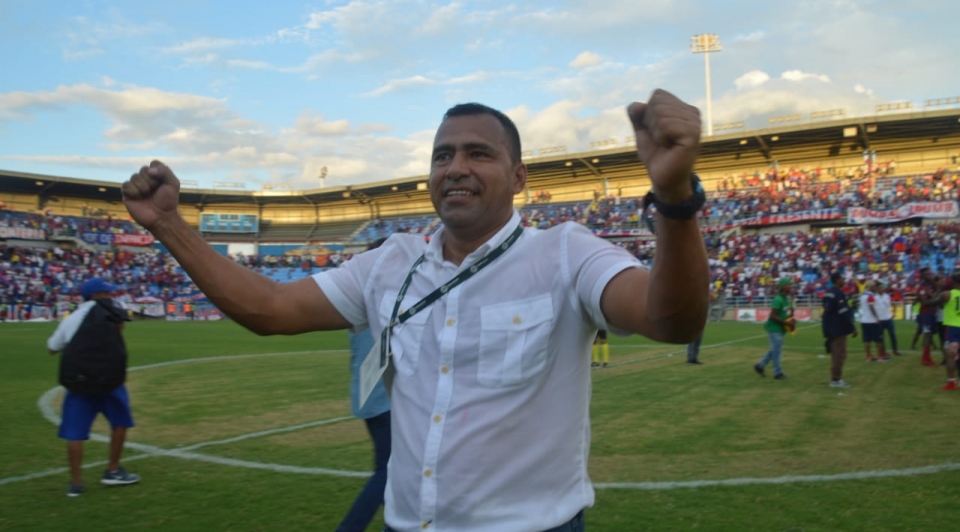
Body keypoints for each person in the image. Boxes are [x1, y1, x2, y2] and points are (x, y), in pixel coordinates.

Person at [120, 89, 710, 532]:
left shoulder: (565, 252)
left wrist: (676, 198)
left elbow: (670, 321)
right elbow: (270, 308)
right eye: (442, 155)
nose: (455, 167)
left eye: (478, 153)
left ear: (519, 176)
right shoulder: (388, 262)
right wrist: (170, 225)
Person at [46, 277, 141, 497]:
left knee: (74, 433)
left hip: (79, 383)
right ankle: (113, 469)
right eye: (106, 292)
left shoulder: (72, 318)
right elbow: (120, 328)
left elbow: (52, 348)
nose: (110, 295)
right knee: (120, 423)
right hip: (110, 381)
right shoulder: (112, 311)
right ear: (96, 295)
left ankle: (76, 483)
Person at [337, 239, 392, 532]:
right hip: (383, 395)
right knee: (388, 471)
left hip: (368, 391)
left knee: (392, 468)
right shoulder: (383, 297)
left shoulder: (361, 295)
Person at [822, 271, 857, 388]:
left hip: (831, 328)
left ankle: (835, 378)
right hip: (838, 329)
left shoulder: (828, 294)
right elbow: (842, 312)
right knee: (839, 354)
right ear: (837, 280)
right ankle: (836, 380)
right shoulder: (838, 294)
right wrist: (852, 328)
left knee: (836, 354)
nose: (844, 281)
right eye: (842, 279)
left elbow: (829, 312)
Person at [754, 277, 794, 380]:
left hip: (780, 329)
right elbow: (772, 315)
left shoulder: (786, 299)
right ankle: (778, 373)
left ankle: (760, 366)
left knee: (775, 350)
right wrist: (786, 322)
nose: (791, 286)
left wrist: (791, 320)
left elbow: (787, 313)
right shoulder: (778, 299)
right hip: (773, 328)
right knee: (777, 351)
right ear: (783, 287)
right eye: (788, 285)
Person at [938, 271, 960, 391]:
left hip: (953, 327)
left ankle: (951, 382)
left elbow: (937, 303)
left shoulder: (947, 294)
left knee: (950, 356)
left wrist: (939, 287)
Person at [858, 280, 890, 362]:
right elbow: (871, 307)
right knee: (879, 339)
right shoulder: (870, 296)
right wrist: (877, 318)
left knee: (867, 339)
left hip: (864, 320)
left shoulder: (862, 296)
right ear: (871, 287)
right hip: (872, 320)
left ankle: (868, 356)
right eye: (875, 286)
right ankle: (880, 356)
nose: (876, 288)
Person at [874, 280, 900, 356]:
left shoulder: (887, 296)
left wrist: (893, 313)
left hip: (888, 318)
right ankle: (883, 351)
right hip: (880, 319)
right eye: (879, 288)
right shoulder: (875, 297)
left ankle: (895, 350)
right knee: (881, 336)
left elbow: (893, 303)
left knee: (892, 334)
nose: (881, 289)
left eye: (882, 288)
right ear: (877, 289)